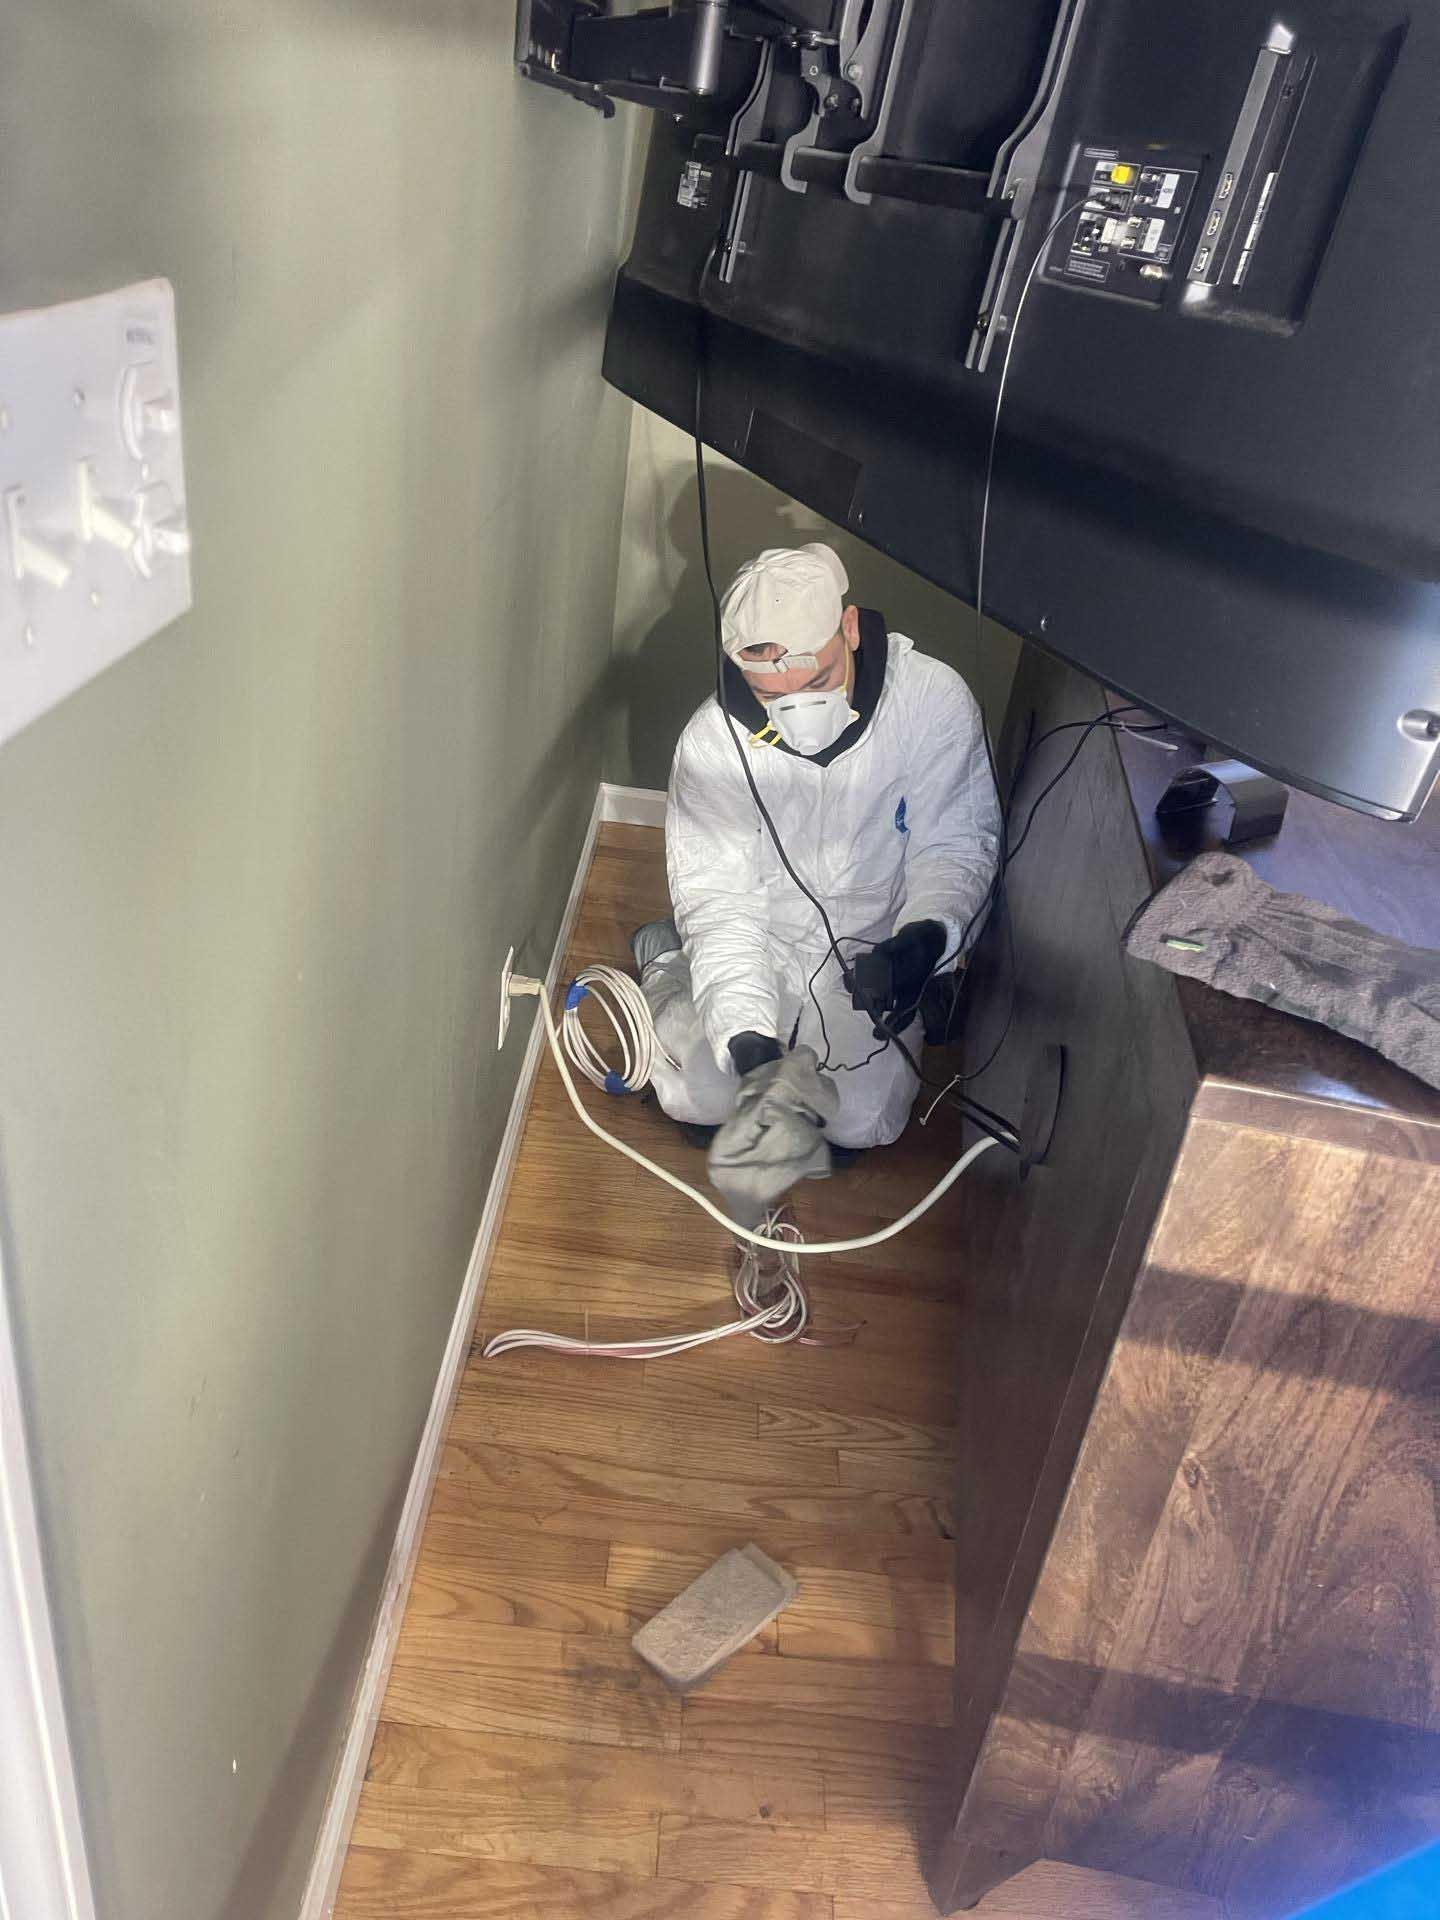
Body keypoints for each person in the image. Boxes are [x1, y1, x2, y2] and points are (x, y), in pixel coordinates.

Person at [632, 542, 1000, 1221]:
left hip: (872, 946)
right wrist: (751, 1044)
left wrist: (925, 941)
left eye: (817, 678)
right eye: (773, 693)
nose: (798, 708)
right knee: (700, 1098)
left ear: (851, 628)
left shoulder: (931, 703)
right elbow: (722, 903)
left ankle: (820, 1031)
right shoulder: (715, 742)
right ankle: (664, 968)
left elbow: (956, 844)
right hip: (765, 937)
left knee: (864, 1124)